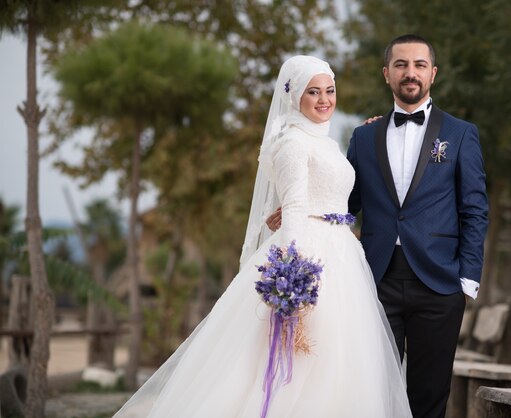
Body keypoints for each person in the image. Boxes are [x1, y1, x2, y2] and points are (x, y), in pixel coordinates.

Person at [113, 55, 412, 418]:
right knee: (304, 365)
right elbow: (296, 210)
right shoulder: (292, 144)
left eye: (330, 91)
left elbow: (335, 196)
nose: (324, 100)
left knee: (341, 361)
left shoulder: (328, 143)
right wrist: (292, 284)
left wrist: (370, 133)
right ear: (294, 97)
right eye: (312, 92)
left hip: (344, 256)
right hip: (311, 262)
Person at [266, 34, 489, 417]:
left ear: (433, 74)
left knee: (429, 395)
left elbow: (475, 209)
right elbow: (346, 203)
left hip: (439, 284)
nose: (410, 73)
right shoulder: (364, 136)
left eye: (419, 65)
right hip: (373, 280)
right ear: (386, 74)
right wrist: (299, 210)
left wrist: (466, 279)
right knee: (370, 391)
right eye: (401, 65)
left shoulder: (460, 134)